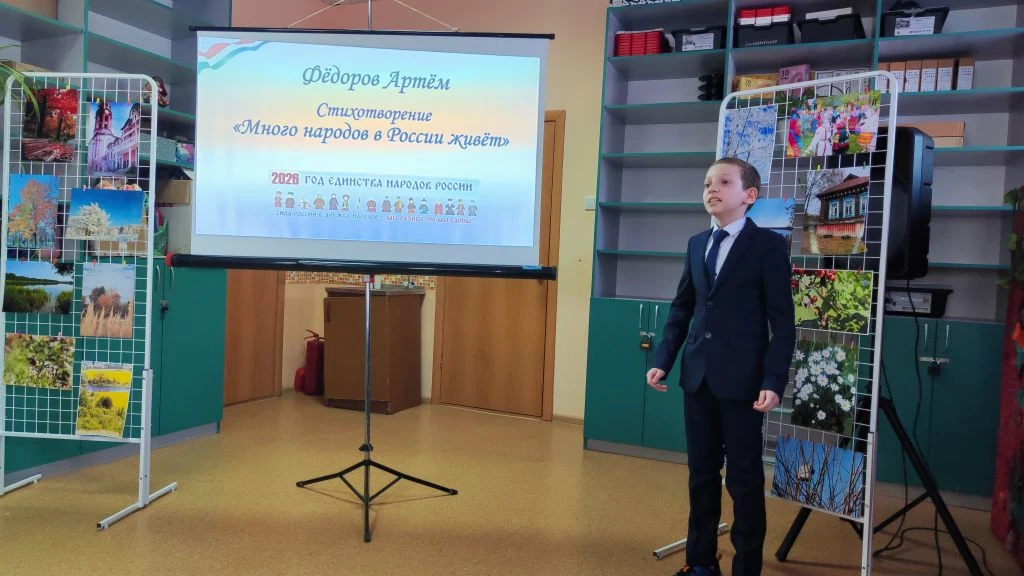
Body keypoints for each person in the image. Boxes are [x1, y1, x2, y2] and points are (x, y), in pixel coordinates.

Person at [646, 157, 795, 576]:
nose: (711, 189)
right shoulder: (697, 243)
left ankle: (746, 567)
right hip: (697, 379)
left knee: (744, 480)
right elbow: (683, 308)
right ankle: (700, 562)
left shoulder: (767, 246)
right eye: (707, 183)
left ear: (749, 195)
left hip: (744, 383)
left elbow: (782, 323)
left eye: (724, 182)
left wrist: (773, 380)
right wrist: (664, 359)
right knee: (701, 474)